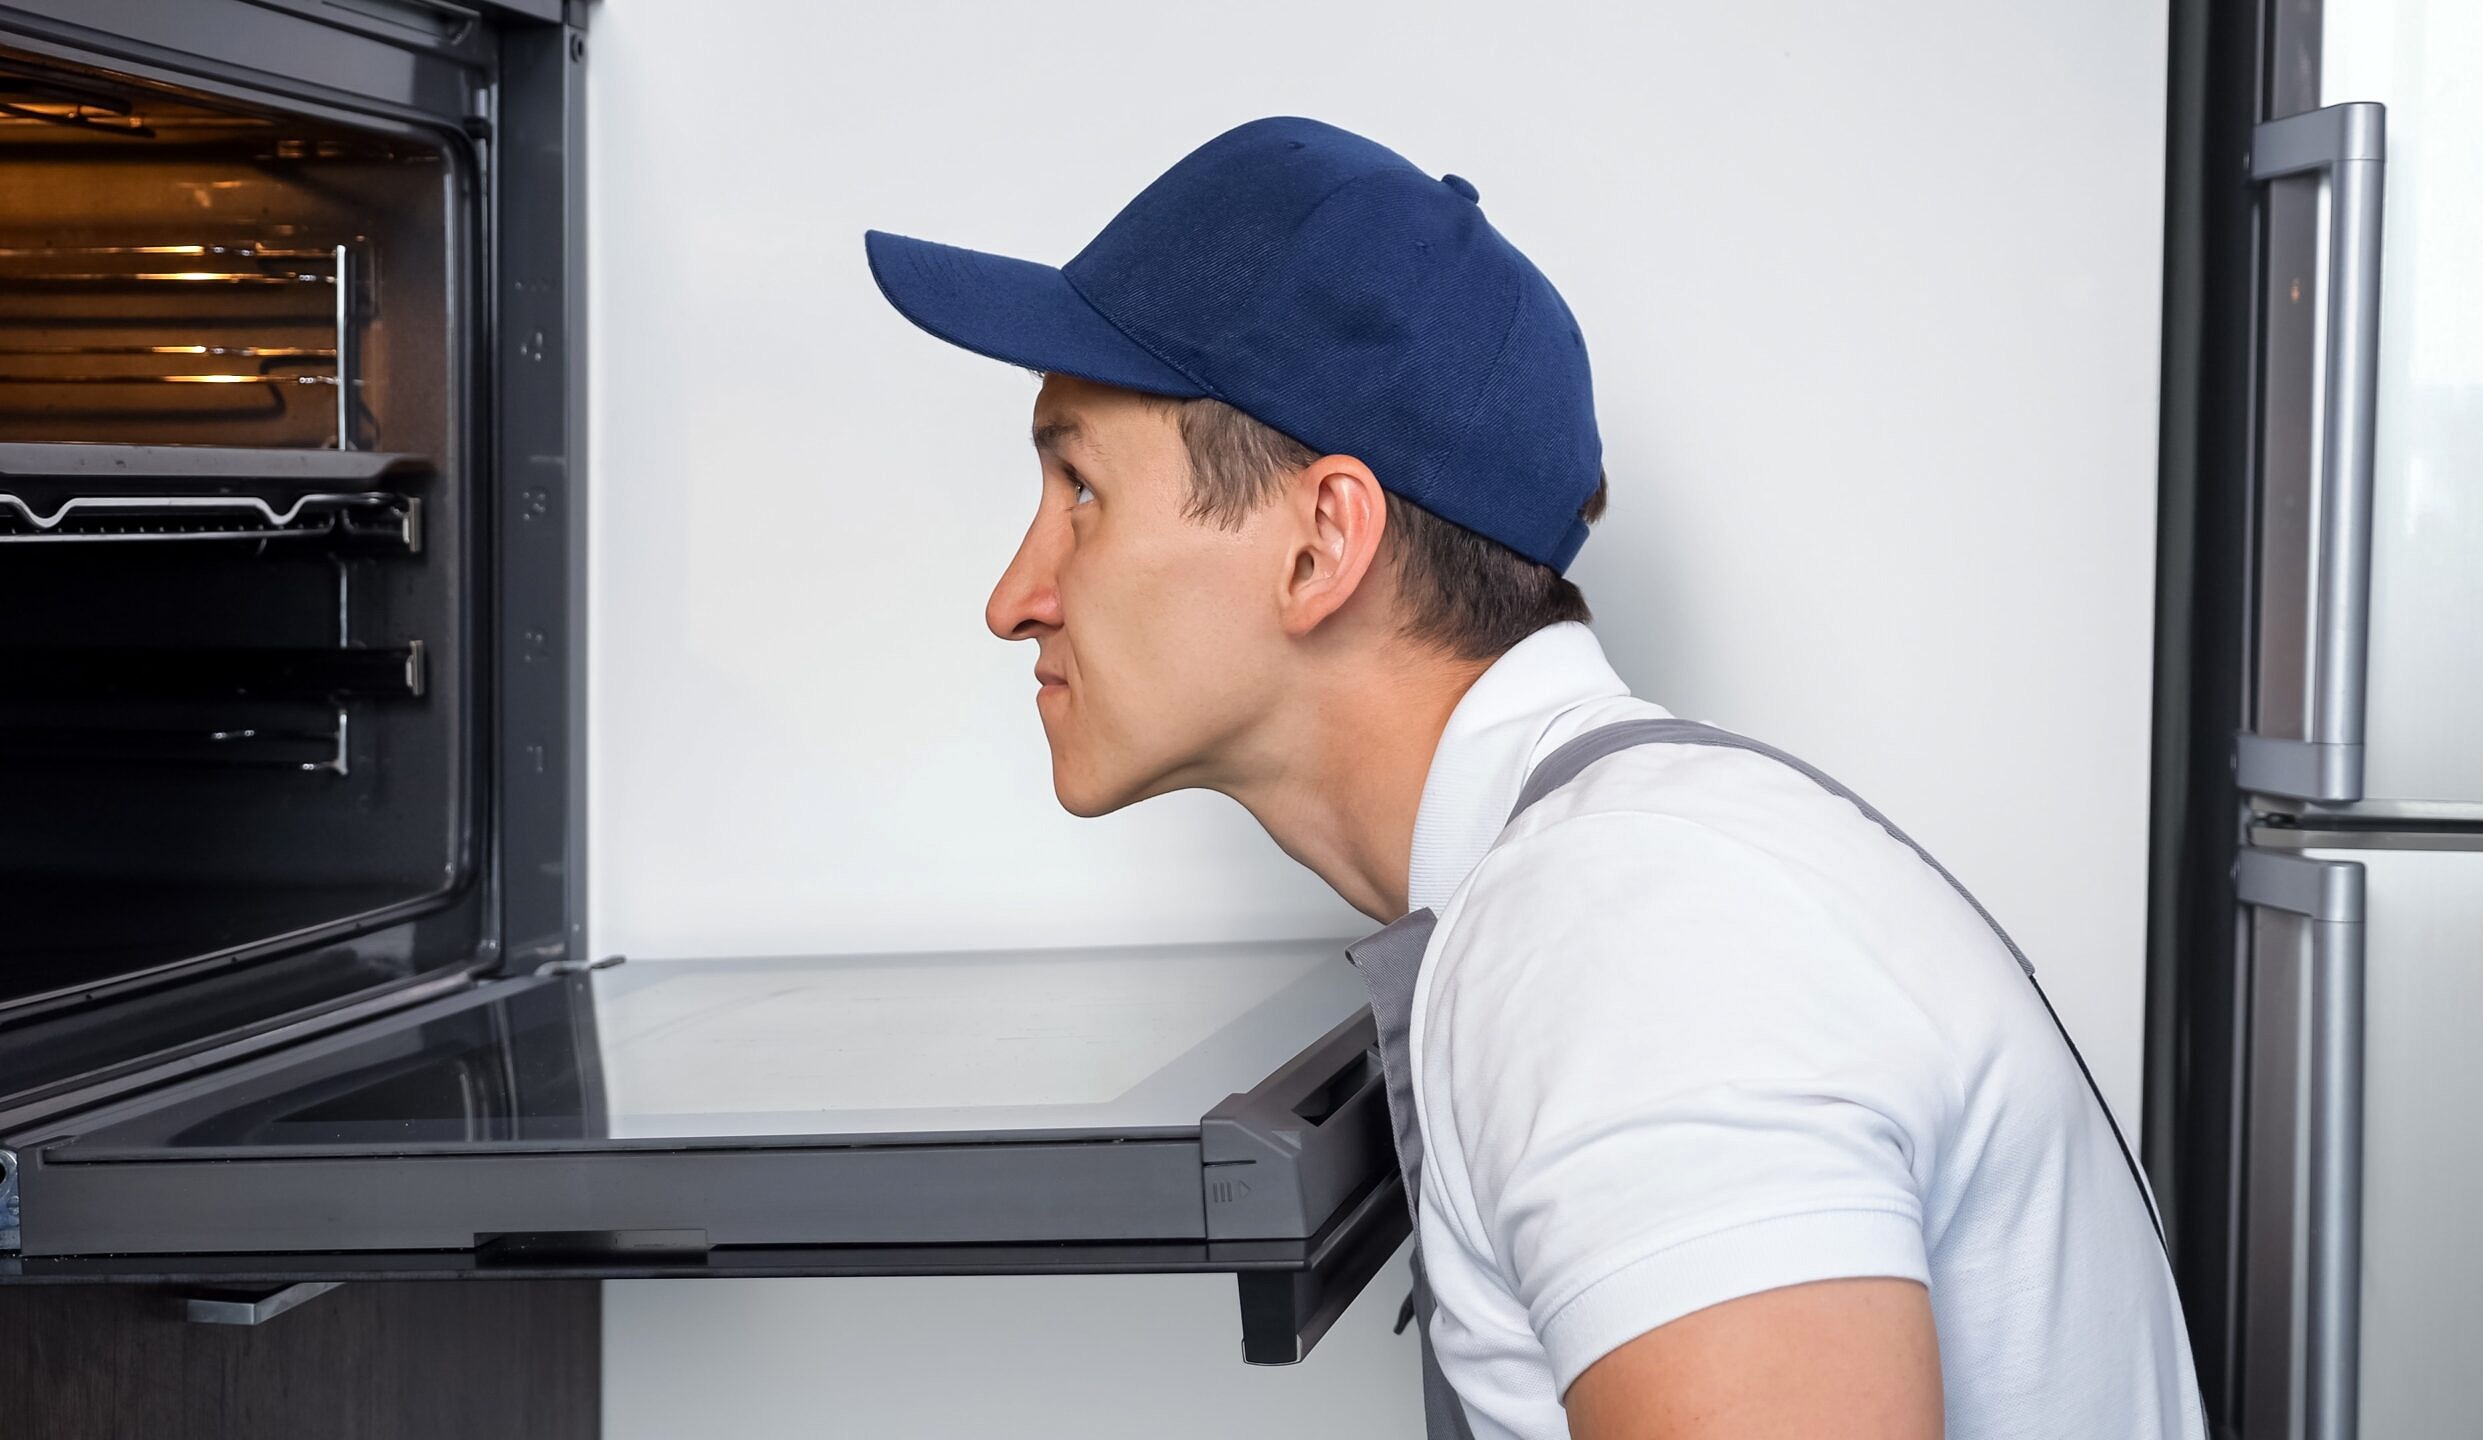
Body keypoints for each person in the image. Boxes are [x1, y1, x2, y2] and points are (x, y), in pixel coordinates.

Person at [865, 116, 2204, 1440]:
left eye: (1081, 487)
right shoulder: (1613, 896)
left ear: (1321, 543)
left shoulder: (1623, 949)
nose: (1014, 598)